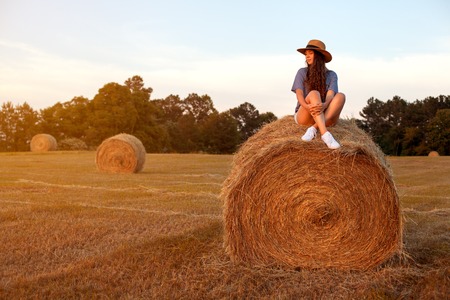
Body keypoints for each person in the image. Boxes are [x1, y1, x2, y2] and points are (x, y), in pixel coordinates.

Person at [291, 39, 345, 149]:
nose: (307, 56)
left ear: (319, 56)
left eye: (310, 53)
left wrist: (324, 105)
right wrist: (307, 107)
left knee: (341, 96)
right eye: (306, 54)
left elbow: (331, 95)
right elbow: (299, 94)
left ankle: (314, 128)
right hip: (305, 114)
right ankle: (325, 134)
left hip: (325, 113)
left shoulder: (332, 75)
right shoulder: (302, 72)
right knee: (314, 93)